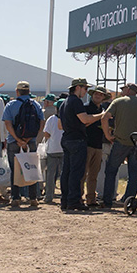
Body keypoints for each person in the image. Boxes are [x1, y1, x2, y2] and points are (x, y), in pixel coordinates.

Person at [102, 83, 137, 210]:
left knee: (111, 171)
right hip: (136, 143)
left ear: (128, 90)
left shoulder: (118, 102)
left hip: (120, 142)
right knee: (134, 174)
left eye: (123, 89)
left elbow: (105, 118)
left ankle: (107, 201)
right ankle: (129, 201)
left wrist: (108, 135)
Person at [60, 78, 106, 213]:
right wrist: (101, 115)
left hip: (67, 138)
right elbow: (85, 119)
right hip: (77, 140)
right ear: (78, 88)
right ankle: (74, 201)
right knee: (76, 172)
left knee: (66, 172)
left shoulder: (65, 102)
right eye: (85, 88)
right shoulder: (76, 101)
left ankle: (65, 201)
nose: (86, 91)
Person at [2, 81, 45, 208]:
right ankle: (33, 198)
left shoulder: (11, 105)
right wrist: (30, 138)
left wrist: (18, 139)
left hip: (13, 141)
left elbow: (8, 124)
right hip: (31, 141)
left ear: (17, 91)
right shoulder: (36, 104)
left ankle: (16, 198)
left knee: (14, 170)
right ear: (29, 91)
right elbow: (41, 123)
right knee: (31, 168)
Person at [84, 86, 110, 207]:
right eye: (96, 94)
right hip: (87, 144)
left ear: (103, 97)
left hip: (99, 145)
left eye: (100, 94)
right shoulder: (85, 108)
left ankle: (91, 199)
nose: (98, 96)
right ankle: (78, 198)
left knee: (94, 174)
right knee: (83, 173)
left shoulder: (103, 109)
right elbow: (85, 123)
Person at [40, 100, 63, 205]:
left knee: (50, 174)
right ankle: (64, 195)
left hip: (52, 149)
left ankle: (49, 196)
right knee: (64, 174)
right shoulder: (69, 119)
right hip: (65, 150)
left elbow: (46, 134)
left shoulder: (52, 119)